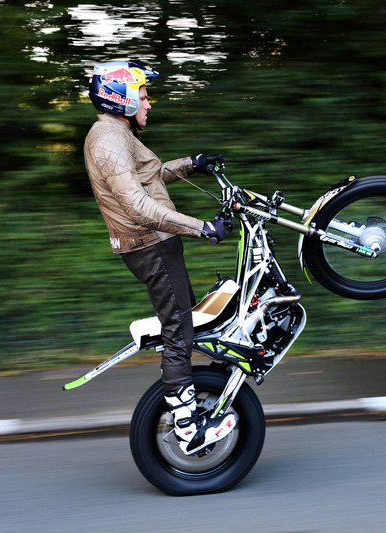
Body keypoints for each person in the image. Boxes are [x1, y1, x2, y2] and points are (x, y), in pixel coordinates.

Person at [83, 61, 236, 455]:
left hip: (155, 244)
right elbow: (135, 205)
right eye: (145, 96)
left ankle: (202, 384)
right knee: (179, 328)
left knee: (191, 318)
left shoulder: (115, 134)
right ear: (123, 97)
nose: (149, 104)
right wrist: (202, 227)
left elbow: (149, 178)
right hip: (151, 246)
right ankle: (186, 423)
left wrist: (192, 164)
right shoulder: (108, 139)